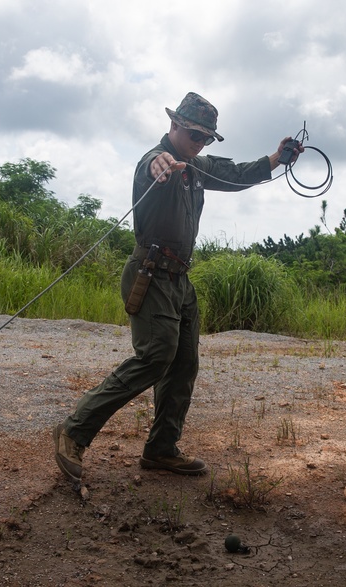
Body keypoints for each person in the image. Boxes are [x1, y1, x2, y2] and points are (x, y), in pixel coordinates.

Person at [53, 92, 302, 482]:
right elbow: (152, 164)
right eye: (193, 134)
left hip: (180, 279)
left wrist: (276, 159)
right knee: (156, 356)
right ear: (174, 125)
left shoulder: (197, 166)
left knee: (184, 363)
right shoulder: (156, 161)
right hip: (150, 274)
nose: (199, 142)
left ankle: (161, 449)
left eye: (205, 138)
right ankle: (74, 430)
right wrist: (159, 163)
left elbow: (234, 175)